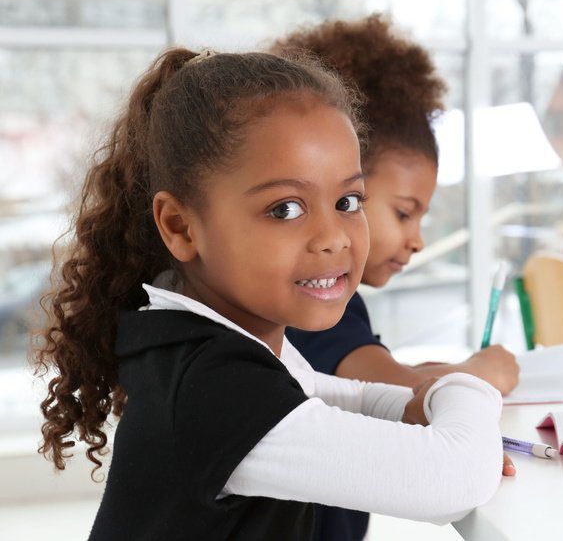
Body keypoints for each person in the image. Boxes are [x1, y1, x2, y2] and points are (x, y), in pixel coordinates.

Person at [33, 47, 506, 541]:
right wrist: (466, 388)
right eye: (285, 209)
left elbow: (335, 393)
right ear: (181, 226)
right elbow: (454, 480)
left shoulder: (207, 345)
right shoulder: (214, 387)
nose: (334, 237)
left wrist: (417, 404)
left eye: (348, 201)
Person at [272, 15, 519, 541]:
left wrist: (443, 381)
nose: (418, 240)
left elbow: (367, 392)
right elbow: (395, 393)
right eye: (404, 213)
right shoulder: (307, 303)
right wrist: (480, 375)